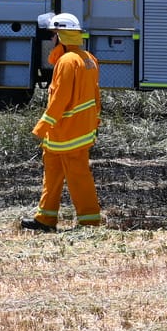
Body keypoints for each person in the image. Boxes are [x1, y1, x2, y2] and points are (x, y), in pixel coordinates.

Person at [22, 12, 103, 232]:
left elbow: (60, 99)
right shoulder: (88, 58)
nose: (50, 40)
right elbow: (96, 97)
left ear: (61, 36)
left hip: (68, 134)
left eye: (53, 35)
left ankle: (89, 222)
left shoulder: (67, 62)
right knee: (53, 176)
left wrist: (41, 127)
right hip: (69, 133)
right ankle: (45, 219)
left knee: (77, 177)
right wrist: (94, 124)